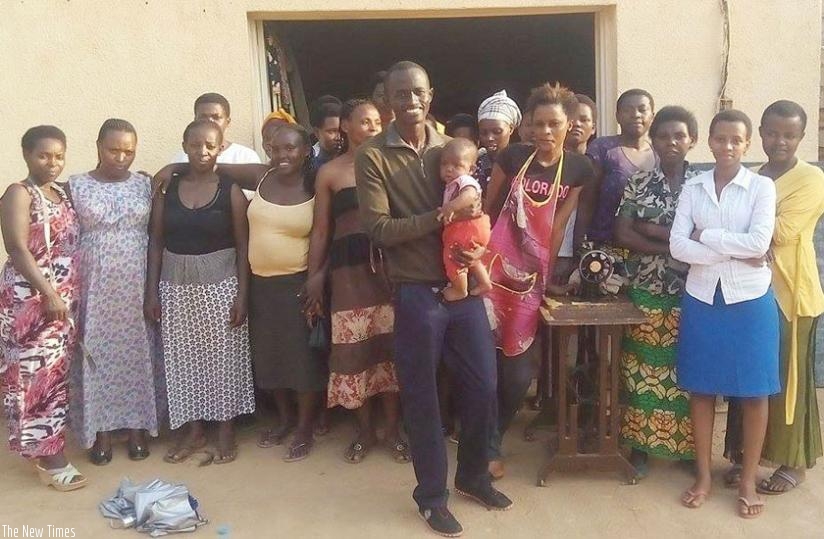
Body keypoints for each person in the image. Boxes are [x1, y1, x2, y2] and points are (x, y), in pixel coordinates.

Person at [356, 61, 512, 537]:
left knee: (484, 384)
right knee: (423, 395)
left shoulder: (452, 149)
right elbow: (379, 230)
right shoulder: (372, 156)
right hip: (416, 291)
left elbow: (477, 208)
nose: (410, 101)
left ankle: (472, 476)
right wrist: (443, 215)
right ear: (387, 100)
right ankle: (431, 497)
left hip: (461, 286)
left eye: (418, 93)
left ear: (431, 96)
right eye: (400, 94)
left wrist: (476, 241)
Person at [483, 83, 594, 479]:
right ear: (528, 125)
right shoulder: (513, 157)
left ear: (570, 126)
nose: (546, 132)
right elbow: (488, 208)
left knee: (517, 369)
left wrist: (547, 281)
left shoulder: (580, 169)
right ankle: (483, 442)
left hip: (530, 280)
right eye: (539, 124)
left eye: (555, 124)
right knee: (483, 358)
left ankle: (492, 434)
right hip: (492, 270)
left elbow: (557, 225)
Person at [670, 109, 778, 518]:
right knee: (701, 389)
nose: (727, 146)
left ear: (747, 144)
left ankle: (747, 480)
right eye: (720, 139)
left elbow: (760, 242)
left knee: (754, 391)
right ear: (709, 142)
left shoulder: (761, 187)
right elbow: (678, 246)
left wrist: (708, 237)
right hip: (702, 297)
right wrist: (736, 248)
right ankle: (704, 475)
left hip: (750, 301)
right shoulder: (694, 188)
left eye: (736, 140)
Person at [725, 101, 824, 495]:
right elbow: (735, 226)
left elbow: (779, 233)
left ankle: (792, 462)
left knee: (786, 382)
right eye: (772, 132)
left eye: (790, 134)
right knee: (747, 379)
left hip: (789, 295)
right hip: (747, 292)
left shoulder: (811, 179)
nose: (780, 141)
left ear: (801, 137)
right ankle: (744, 457)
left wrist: (741, 238)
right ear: (760, 133)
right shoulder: (750, 176)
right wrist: (743, 239)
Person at [146, 119, 254, 465]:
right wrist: (151, 292)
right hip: (175, 285)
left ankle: (224, 428)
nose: (202, 151)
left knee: (223, 357)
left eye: (210, 145)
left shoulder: (230, 190)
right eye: (195, 145)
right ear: (184, 145)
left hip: (221, 283)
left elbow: (242, 244)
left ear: (220, 147)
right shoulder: (168, 187)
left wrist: (242, 295)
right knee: (182, 357)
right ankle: (192, 429)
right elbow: (156, 241)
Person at [304, 99, 407, 464]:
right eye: (365, 121)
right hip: (347, 273)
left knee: (390, 349)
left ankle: (393, 430)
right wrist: (314, 275)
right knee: (354, 349)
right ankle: (364, 431)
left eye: (378, 122)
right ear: (345, 125)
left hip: (390, 270)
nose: (373, 128)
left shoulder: (394, 165)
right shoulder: (330, 173)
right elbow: (320, 231)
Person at [613, 106, 699, 477]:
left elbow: (707, 235)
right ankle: (639, 448)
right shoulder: (638, 181)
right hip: (645, 287)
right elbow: (623, 233)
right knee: (640, 369)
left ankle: (687, 450)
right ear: (654, 139)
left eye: (679, 135)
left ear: (692, 140)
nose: (671, 142)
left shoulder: (704, 184)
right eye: (663, 135)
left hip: (693, 291)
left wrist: (653, 232)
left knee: (688, 370)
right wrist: (677, 245)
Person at [68, 119, 158, 465]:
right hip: (94, 288)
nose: (122, 157)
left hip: (136, 284)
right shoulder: (75, 186)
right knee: (96, 357)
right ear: (98, 146)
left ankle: (138, 429)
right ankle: (101, 433)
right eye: (114, 149)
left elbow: (156, 236)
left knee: (137, 354)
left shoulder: (146, 184)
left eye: (129, 150)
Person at [0, 126, 85, 490]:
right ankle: (51, 459)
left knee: (54, 376)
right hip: (32, 300)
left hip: (61, 301)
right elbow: (17, 248)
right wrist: (48, 294)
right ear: (25, 154)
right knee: (36, 378)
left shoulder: (60, 194)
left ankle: (43, 447)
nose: (52, 163)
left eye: (59, 156)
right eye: (43, 155)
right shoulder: (18, 194)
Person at [577, 89, 657, 249]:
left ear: (652, 116)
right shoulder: (603, 148)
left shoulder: (660, 155)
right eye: (628, 110)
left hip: (650, 254)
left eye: (642, 109)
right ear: (617, 116)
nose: (636, 115)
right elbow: (586, 202)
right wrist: (579, 245)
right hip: (605, 252)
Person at [439, 139, 492, 301]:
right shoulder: (454, 182)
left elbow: (469, 195)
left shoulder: (465, 181)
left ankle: (459, 289)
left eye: (456, 166)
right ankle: (484, 282)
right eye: (444, 164)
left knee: (453, 255)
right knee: (470, 256)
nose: (449, 169)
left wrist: (451, 207)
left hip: (466, 227)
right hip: (475, 226)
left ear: (471, 169)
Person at [556, 93, 597, 282]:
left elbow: (588, 212)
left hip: (576, 256)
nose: (577, 124)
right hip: (544, 252)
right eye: (572, 118)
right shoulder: (544, 164)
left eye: (584, 119)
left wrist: (579, 255)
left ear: (593, 128)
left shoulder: (597, 166)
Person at [170, 92, 261, 165]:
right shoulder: (181, 158)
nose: (209, 121)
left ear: (228, 122)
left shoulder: (246, 157)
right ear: (195, 120)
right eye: (203, 117)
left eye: (216, 117)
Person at [475, 90, 522, 192]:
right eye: (484, 133)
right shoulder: (474, 163)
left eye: (497, 131)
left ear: (511, 129)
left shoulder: (521, 164)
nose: (489, 138)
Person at [309, 95, 342, 170]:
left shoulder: (357, 162)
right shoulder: (309, 167)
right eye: (331, 131)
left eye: (342, 130)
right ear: (317, 132)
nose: (339, 137)